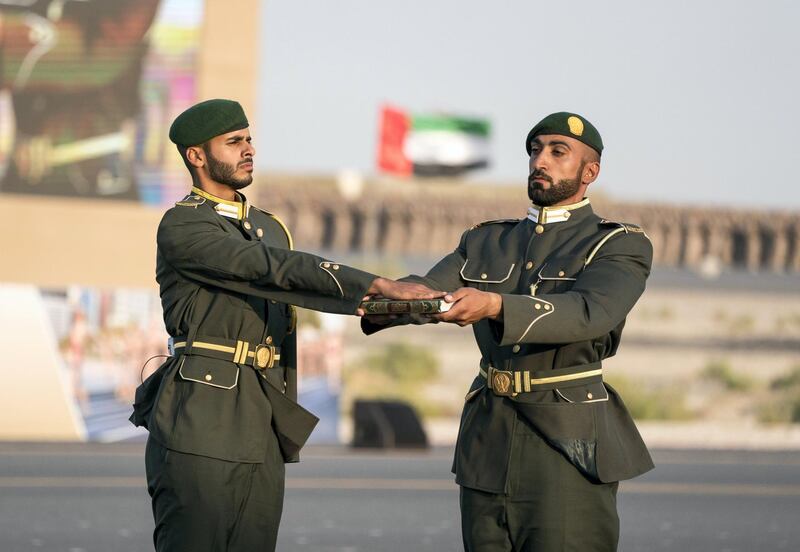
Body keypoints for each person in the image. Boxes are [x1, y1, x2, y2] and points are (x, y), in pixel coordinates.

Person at [129, 98, 440, 552]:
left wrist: (383, 305)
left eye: (249, 139)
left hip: (262, 417)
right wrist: (372, 281)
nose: (248, 148)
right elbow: (265, 268)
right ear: (197, 156)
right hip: (202, 415)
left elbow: (294, 287)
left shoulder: (269, 227)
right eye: (233, 142)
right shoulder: (183, 225)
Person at [363, 112, 654, 551]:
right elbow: (425, 291)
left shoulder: (616, 243)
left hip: (566, 443)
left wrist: (496, 305)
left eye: (559, 152)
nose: (541, 161)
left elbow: (590, 311)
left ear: (589, 172)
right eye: (536, 150)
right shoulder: (486, 241)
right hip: (488, 441)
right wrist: (371, 295)